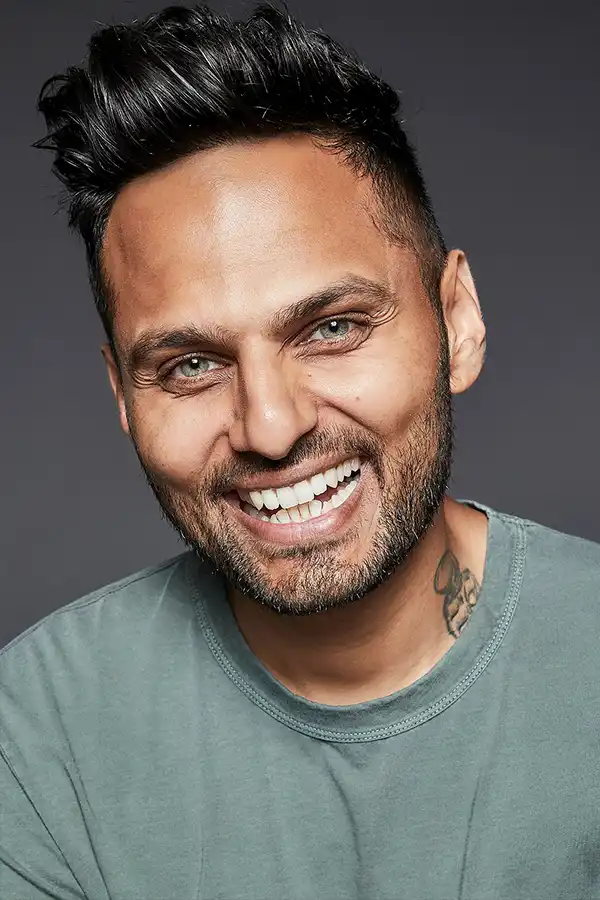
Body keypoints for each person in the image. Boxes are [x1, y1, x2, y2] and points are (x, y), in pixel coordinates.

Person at [1, 4, 599, 899]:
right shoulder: (34, 735)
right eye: (191, 363)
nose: (271, 428)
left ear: (458, 322)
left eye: (332, 327)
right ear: (124, 397)